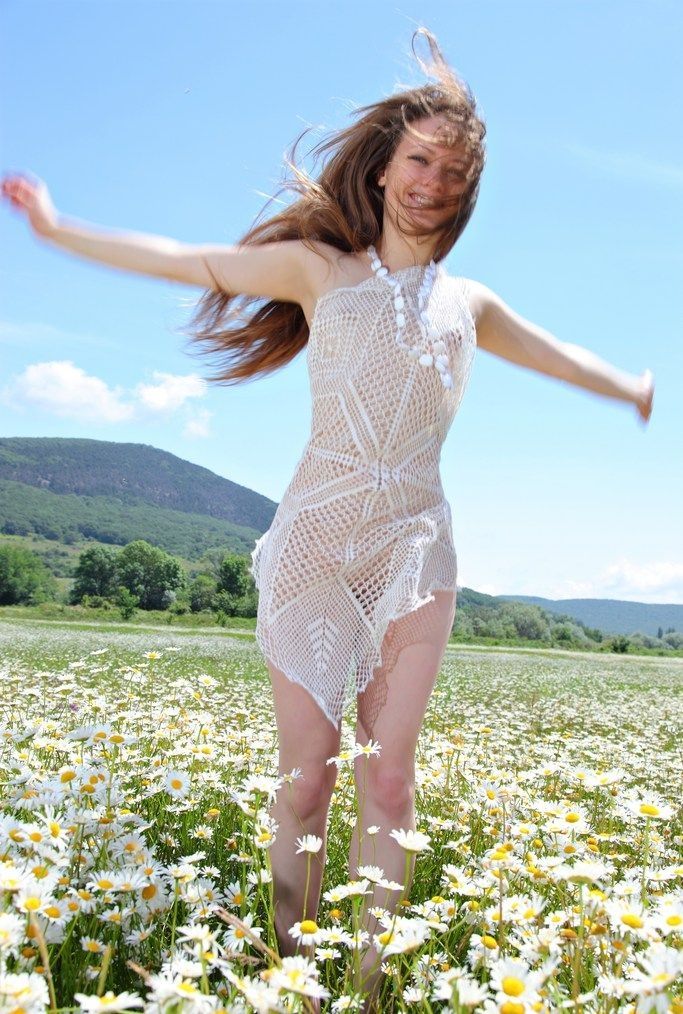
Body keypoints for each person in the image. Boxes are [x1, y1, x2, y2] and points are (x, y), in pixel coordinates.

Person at [2, 29, 654, 1010]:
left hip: (416, 547)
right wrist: (57, 230)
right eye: (418, 159)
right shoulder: (319, 269)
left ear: (468, 186)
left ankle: (371, 983)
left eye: (452, 168)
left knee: (389, 781)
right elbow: (188, 261)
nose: (431, 180)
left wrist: (633, 388)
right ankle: (291, 976)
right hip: (314, 540)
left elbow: (558, 355)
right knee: (306, 781)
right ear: (385, 165)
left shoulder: (468, 303)